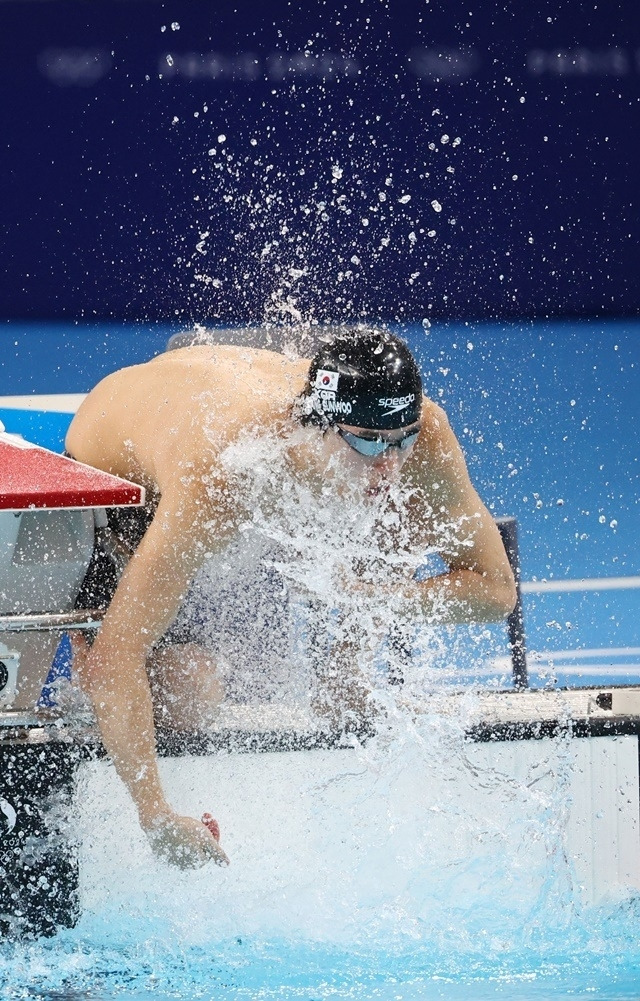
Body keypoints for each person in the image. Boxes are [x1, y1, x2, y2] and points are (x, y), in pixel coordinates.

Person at [65, 327, 516, 869]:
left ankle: (342, 679)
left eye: (403, 439)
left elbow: (494, 591)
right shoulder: (221, 472)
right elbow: (120, 656)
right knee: (189, 691)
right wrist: (156, 817)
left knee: (400, 508)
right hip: (116, 480)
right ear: (315, 427)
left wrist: (373, 597)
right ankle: (79, 649)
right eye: (370, 442)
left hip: (219, 404)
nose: (390, 463)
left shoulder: (416, 431)